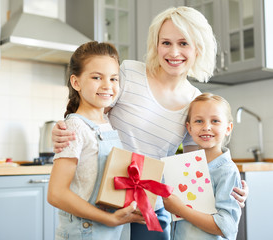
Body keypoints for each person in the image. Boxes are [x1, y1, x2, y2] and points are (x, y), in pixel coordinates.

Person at [51, 6, 248, 240]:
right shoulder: (129, 73)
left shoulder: (195, 102)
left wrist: (228, 186)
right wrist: (63, 127)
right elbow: (93, 114)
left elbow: (195, 169)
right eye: (166, 42)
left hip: (150, 208)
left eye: (184, 43)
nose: (174, 52)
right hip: (105, 201)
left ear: (199, 48)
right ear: (156, 45)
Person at [47, 41, 144, 240]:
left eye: (114, 78)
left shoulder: (107, 123)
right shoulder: (75, 127)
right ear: (76, 83)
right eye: (96, 77)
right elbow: (56, 193)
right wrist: (108, 219)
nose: (107, 85)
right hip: (84, 232)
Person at [163, 93, 242, 240]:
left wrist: (180, 209)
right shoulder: (183, 167)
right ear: (189, 128)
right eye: (199, 121)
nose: (206, 127)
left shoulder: (227, 171)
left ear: (228, 128)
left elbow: (227, 227)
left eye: (215, 121)